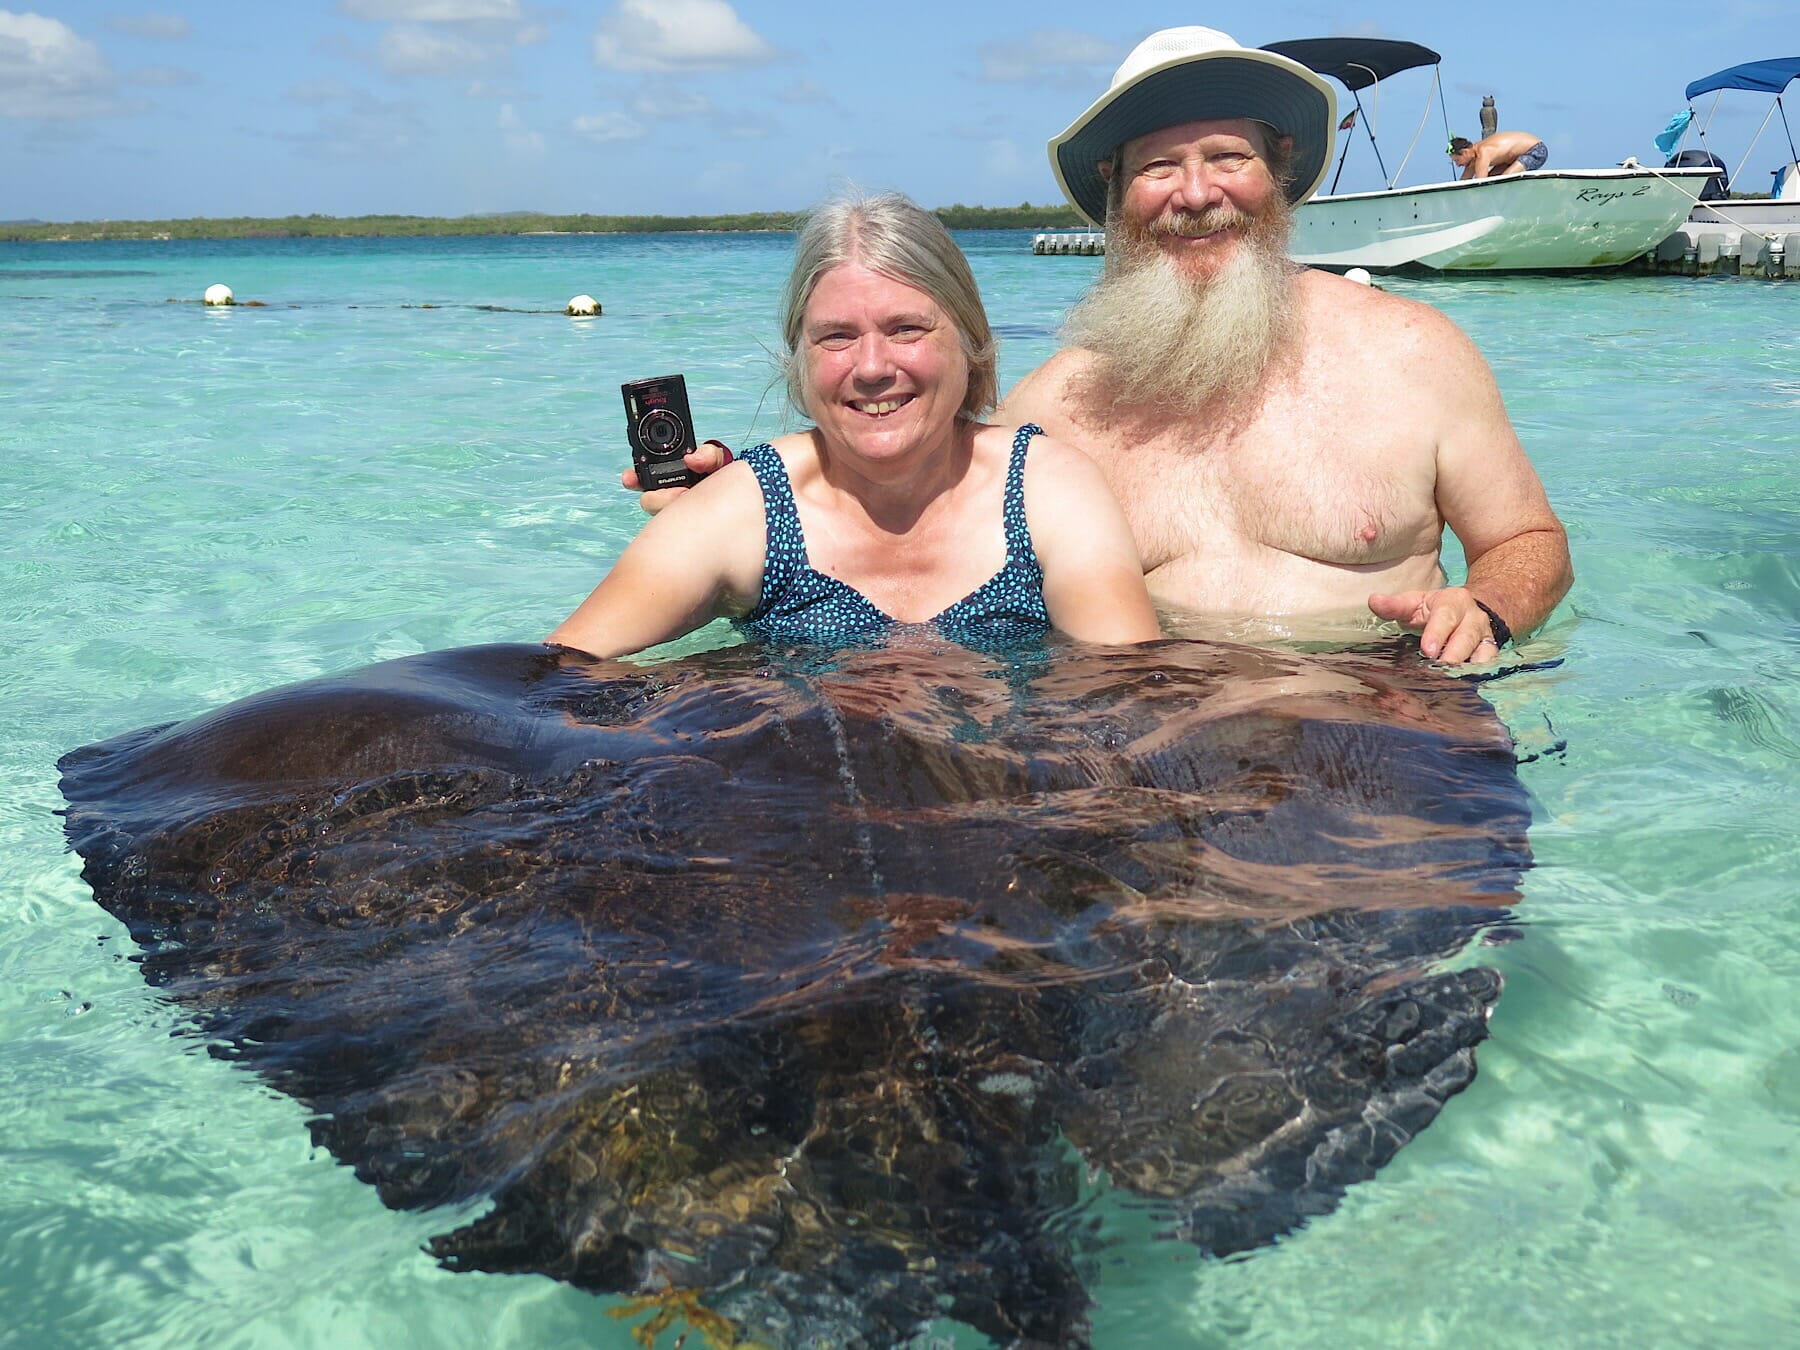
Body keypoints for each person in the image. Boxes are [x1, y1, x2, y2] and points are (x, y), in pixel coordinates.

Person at [634, 28, 1570, 668]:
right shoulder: (1052, 413)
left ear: (1279, 174)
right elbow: (901, 521)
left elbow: (1529, 543)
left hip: (1383, 726)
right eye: (1160, 167)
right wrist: (745, 506)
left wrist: (1484, 608)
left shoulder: (1410, 352)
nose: (1196, 194)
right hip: (1139, 759)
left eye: (1228, 157)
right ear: (1117, 197)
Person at [551, 191, 1160, 659]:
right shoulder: (747, 508)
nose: (871, 367)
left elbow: (1129, 694)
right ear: (800, 362)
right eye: (837, 337)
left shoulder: (1047, 490)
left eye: (906, 329)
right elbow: (552, 678)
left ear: (971, 345)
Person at [1449, 130, 1549, 179]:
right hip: (1511, 159)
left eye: (1457, 160)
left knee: (1504, 178)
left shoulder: (1483, 152)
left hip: (1536, 150)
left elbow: (1480, 183)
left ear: (1465, 152)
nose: (1457, 165)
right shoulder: (1473, 157)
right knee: (1493, 179)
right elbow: (1464, 182)